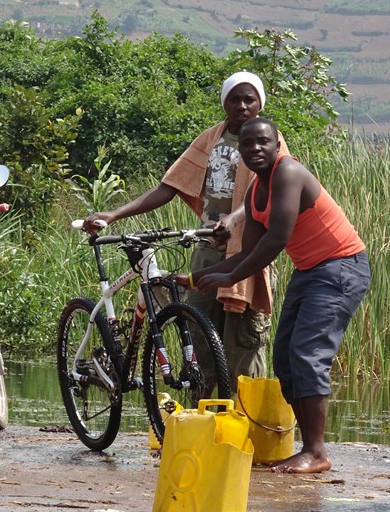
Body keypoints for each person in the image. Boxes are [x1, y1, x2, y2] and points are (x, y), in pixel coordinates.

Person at [180, 117, 369, 474]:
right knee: (284, 358)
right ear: (241, 153)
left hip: (341, 266)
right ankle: (309, 448)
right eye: (247, 144)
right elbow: (245, 253)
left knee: (308, 355)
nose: (255, 149)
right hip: (310, 270)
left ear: (276, 146)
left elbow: (276, 240)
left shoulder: (289, 173)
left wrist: (228, 276)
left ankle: (316, 452)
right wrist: (194, 278)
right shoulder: (255, 192)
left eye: (262, 142)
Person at [83, 72, 288, 394]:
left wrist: (233, 220)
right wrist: (114, 214)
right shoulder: (211, 139)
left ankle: (246, 425)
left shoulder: (266, 138)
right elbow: (170, 187)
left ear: (260, 102)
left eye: (250, 99)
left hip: (250, 251)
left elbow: (266, 189)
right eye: (235, 98)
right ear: (224, 102)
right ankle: (201, 420)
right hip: (208, 247)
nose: (242, 105)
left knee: (243, 344)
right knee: (199, 336)